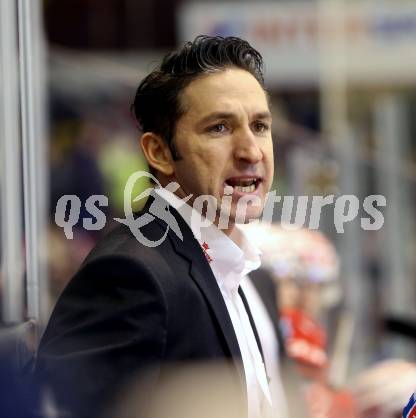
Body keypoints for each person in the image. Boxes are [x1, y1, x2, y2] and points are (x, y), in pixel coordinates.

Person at [35, 36, 275, 418]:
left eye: (260, 126)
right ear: (159, 152)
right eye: (219, 128)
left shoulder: (232, 267)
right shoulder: (132, 274)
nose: (251, 151)